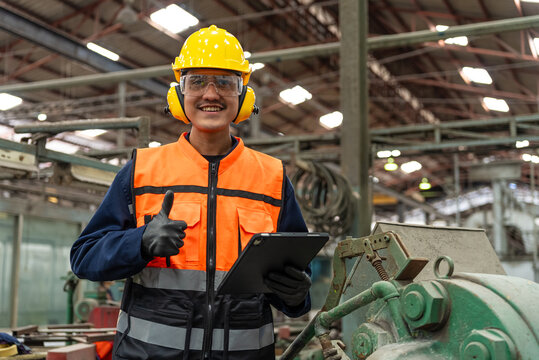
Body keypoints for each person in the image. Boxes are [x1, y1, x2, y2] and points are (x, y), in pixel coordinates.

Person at [70, 25, 312, 360]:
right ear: (179, 92)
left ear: (243, 96)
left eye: (225, 82)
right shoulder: (142, 169)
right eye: (196, 81)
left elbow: (295, 278)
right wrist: (138, 242)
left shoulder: (271, 176)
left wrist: (297, 294)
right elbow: (84, 257)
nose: (211, 94)